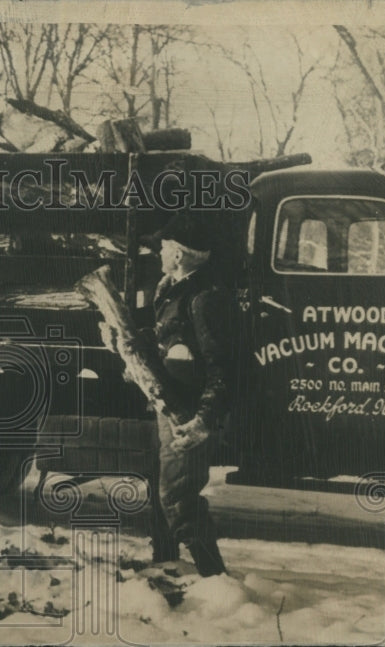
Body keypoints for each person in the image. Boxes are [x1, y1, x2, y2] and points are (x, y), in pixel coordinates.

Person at [148, 214, 234, 577]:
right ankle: (166, 566)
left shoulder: (204, 300)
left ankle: (215, 579)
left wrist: (203, 421)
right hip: (171, 408)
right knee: (165, 491)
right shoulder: (174, 290)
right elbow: (171, 344)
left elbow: (224, 368)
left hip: (188, 415)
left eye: (164, 248)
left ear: (179, 255)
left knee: (177, 499)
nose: (159, 254)